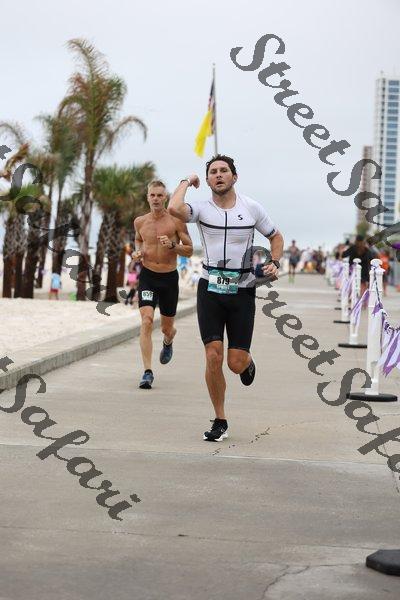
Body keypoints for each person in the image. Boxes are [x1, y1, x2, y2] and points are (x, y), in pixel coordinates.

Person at [168, 154, 284, 442]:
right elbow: (173, 208)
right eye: (213, 172)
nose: (218, 175)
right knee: (213, 355)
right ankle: (220, 419)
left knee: (235, 363)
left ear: (234, 176)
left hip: (242, 290)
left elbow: (276, 237)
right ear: (208, 180)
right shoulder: (201, 209)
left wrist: (275, 262)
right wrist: (186, 181)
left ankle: (247, 362)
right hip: (210, 289)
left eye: (223, 171)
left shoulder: (252, 208)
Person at [133, 180, 193, 389]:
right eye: (153, 195)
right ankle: (147, 372)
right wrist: (138, 251)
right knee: (147, 320)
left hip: (169, 279)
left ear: (165, 197)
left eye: (160, 195)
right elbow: (138, 240)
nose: (156, 199)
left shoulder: (176, 221)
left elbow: (189, 249)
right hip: (148, 277)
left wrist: (173, 245)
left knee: (166, 328)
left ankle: (169, 339)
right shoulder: (140, 221)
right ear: (148, 197)